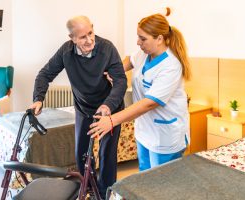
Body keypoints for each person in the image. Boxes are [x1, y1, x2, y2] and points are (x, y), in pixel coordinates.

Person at [30, 15, 127, 198]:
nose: (89, 40)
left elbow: (120, 81)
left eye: (90, 33)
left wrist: (107, 105)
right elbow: (44, 74)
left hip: (109, 109)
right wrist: (38, 98)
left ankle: (106, 192)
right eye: (83, 37)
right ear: (72, 38)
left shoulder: (107, 48)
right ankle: (87, 187)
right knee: (81, 151)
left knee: (107, 154)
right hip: (84, 108)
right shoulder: (66, 52)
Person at [88, 13, 191, 171]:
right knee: (143, 178)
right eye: (138, 37)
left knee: (160, 185)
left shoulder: (171, 66)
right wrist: (116, 71)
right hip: (144, 130)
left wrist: (112, 120)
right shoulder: (144, 53)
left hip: (165, 135)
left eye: (143, 39)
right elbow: (130, 60)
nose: (138, 42)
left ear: (159, 38)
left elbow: (149, 103)